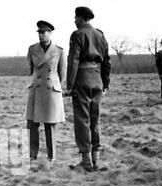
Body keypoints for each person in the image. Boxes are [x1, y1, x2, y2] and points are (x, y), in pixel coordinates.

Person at [66, 6, 111, 172]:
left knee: (82, 120)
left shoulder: (77, 35)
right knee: (95, 119)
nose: (74, 20)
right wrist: (105, 83)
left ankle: (86, 161)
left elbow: (73, 61)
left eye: (75, 17)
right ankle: (96, 160)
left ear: (81, 18)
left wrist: (70, 85)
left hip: (82, 80)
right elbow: (107, 61)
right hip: (97, 79)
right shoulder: (100, 35)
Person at [25, 20, 66, 161]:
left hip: (51, 90)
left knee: (50, 125)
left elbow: (62, 74)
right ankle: (32, 155)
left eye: (44, 32)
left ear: (50, 33)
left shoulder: (59, 51)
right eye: (39, 32)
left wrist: (56, 86)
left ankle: (52, 156)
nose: (41, 35)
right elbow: (31, 69)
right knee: (32, 124)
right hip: (36, 88)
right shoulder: (32, 49)